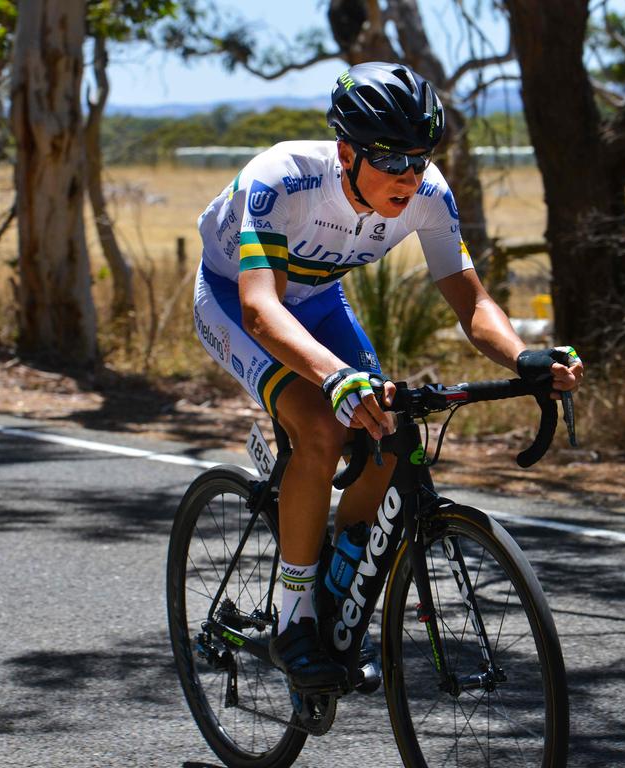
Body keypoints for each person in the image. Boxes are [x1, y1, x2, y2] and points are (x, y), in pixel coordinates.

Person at [191, 61, 585, 692]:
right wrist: (333, 378)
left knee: (390, 430)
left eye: (419, 158)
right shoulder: (282, 178)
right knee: (322, 426)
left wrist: (524, 359)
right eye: (390, 159)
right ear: (346, 151)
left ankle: (338, 591)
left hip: (317, 300)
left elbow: (473, 302)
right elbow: (262, 311)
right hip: (236, 299)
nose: (408, 175)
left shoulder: (428, 196)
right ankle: (294, 618)